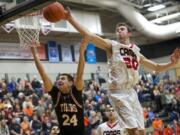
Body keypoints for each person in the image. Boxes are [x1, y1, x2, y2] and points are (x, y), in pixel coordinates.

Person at [62, 9, 180, 135]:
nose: (119, 31)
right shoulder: (112, 46)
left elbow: (156, 66)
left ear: (129, 33)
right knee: (132, 131)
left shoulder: (136, 51)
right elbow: (90, 35)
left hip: (131, 91)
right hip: (118, 92)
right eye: (117, 30)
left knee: (141, 131)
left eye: (122, 29)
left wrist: (172, 64)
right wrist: (70, 19)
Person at [30, 36, 89, 135]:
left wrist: (82, 51)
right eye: (58, 79)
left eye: (63, 78)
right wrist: (35, 55)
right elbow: (43, 75)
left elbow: (79, 74)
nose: (59, 80)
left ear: (71, 82)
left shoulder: (75, 92)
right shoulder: (55, 93)